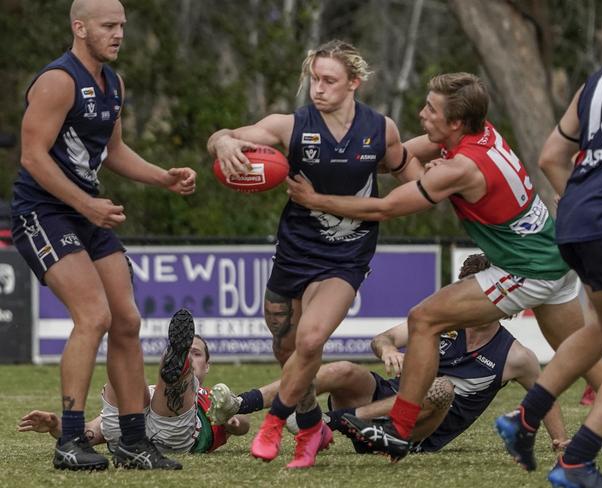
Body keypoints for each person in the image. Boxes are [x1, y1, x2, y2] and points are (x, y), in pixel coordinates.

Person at [286, 71, 602, 466]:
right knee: (583, 356)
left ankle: (400, 430)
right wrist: (350, 164)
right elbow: (399, 155)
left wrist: (318, 199)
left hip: (529, 267)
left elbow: (386, 208)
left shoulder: (462, 167)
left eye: (431, 109)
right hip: (552, 252)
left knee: (423, 320)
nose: (422, 114)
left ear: (455, 122)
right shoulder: (478, 132)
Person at [206, 39, 422, 469]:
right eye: (314, 80)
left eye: (329, 80)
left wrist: (432, 182)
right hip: (295, 252)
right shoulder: (291, 126)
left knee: (310, 339)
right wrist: (224, 143)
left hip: (346, 258)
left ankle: (275, 423)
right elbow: (224, 136)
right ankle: (311, 427)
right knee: (288, 350)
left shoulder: (381, 130)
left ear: (354, 83)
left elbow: (409, 175)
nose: (318, 88)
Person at [10, 0, 196, 471]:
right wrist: (84, 203)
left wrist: (162, 178)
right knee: (93, 316)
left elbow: (113, 150)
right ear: (80, 28)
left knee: (127, 321)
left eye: (122, 26)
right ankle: (69, 442)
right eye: (109, 26)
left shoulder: (113, 82)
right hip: (45, 212)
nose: (118, 34)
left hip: (87, 212)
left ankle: (133, 442)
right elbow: (32, 157)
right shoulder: (58, 81)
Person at [495, 1, 602, 486]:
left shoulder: (598, 80)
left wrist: (580, 199)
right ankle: (577, 461)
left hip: (578, 218)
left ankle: (522, 420)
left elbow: (550, 155)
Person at [210, 254, 567, 454]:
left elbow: (545, 396)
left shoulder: (516, 355)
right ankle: (240, 404)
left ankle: (332, 424)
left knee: (441, 387)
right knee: (343, 370)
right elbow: (383, 337)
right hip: (387, 399)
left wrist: (559, 439)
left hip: (415, 433)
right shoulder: (439, 322)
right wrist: (389, 350)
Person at [18, 309, 250, 457]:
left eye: (196, 353)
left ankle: (124, 336)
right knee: (134, 386)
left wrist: (232, 419)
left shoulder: (216, 398)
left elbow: (243, 424)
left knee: (162, 394)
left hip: (172, 434)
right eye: (187, 352)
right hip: (128, 431)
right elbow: (92, 432)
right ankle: (123, 341)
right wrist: (57, 427)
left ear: (208, 365)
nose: (192, 355)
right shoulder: (155, 394)